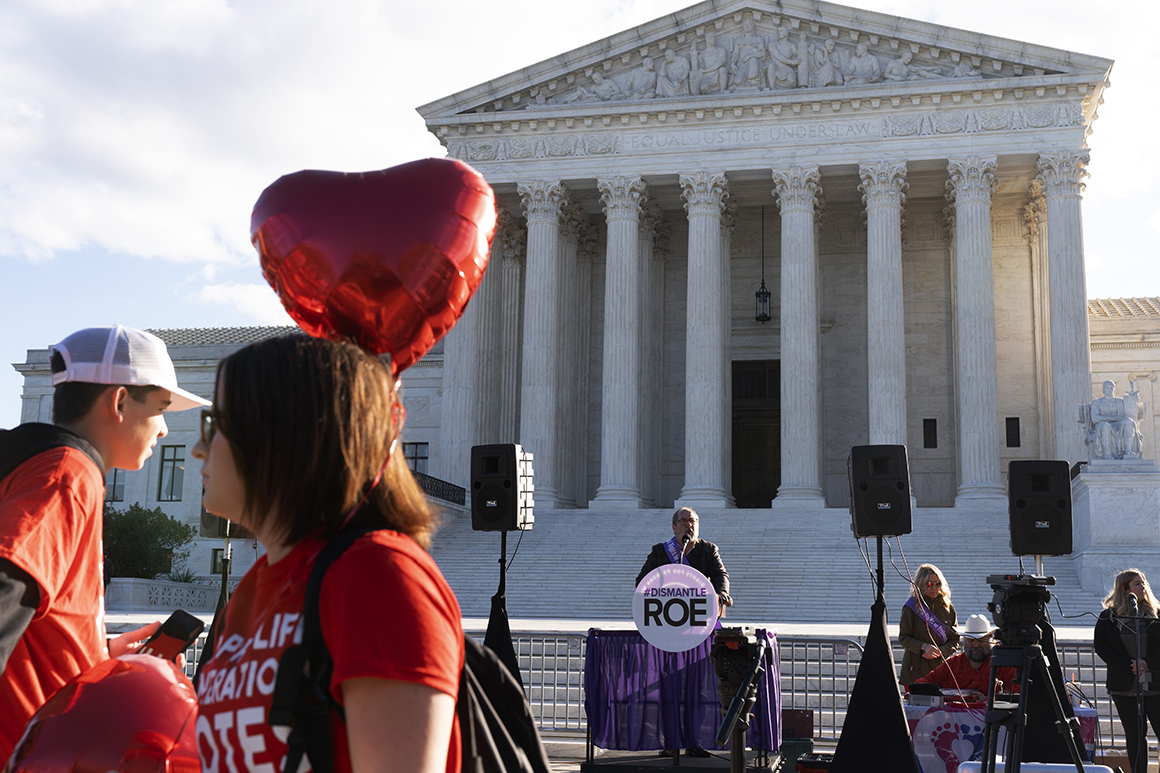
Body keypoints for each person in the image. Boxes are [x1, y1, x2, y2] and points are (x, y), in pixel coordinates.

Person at [192, 334, 463, 773]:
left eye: (217, 423)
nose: (198, 448)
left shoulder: (377, 577)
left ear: (283, 435)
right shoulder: (252, 591)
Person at [0, 325, 209, 759]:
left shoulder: (48, 468)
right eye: (162, 408)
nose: (166, 430)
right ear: (118, 401)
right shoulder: (65, 477)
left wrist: (98, 651)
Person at [636, 506, 732, 758]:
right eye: (684, 521)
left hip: (698, 631)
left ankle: (692, 740)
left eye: (693, 521)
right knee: (669, 689)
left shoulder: (708, 550)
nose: (689, 525)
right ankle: (669, 741)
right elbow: (641, 582)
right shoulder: (661, 552)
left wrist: (721, 592)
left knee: (695, 689)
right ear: (674, 527)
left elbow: (720, 575)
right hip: (667, 632)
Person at [1094, 569, 1160, 773]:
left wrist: (1148, 662)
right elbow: (1101, 646)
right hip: (1124, 685)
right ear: (1125, 589)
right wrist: (1127, 664)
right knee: (1135, 734)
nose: (1143, 587)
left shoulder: (1156, 614)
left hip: (1154, 684)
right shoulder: (1108, 617)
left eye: (1143, 583)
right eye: (1137, 584)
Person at [914, 613, 1015, 702]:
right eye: (971, 640)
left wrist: (995, 698)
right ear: (964, 641)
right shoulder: (953, 664)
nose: (976, 645)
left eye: (981, 640)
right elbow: (922, 684)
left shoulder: (1004, 661)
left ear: (991, 640)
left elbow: (1017, 689)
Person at [899, 564, 959, 685]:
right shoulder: (911, 607)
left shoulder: (948, 608)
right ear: (920, 585)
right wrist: (923, 647)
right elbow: (904, 638)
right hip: (915, 670)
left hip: (940, 670)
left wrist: (940, 651)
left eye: (937, 583)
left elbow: (954, 640)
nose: (934, 588)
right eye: (929, 584)